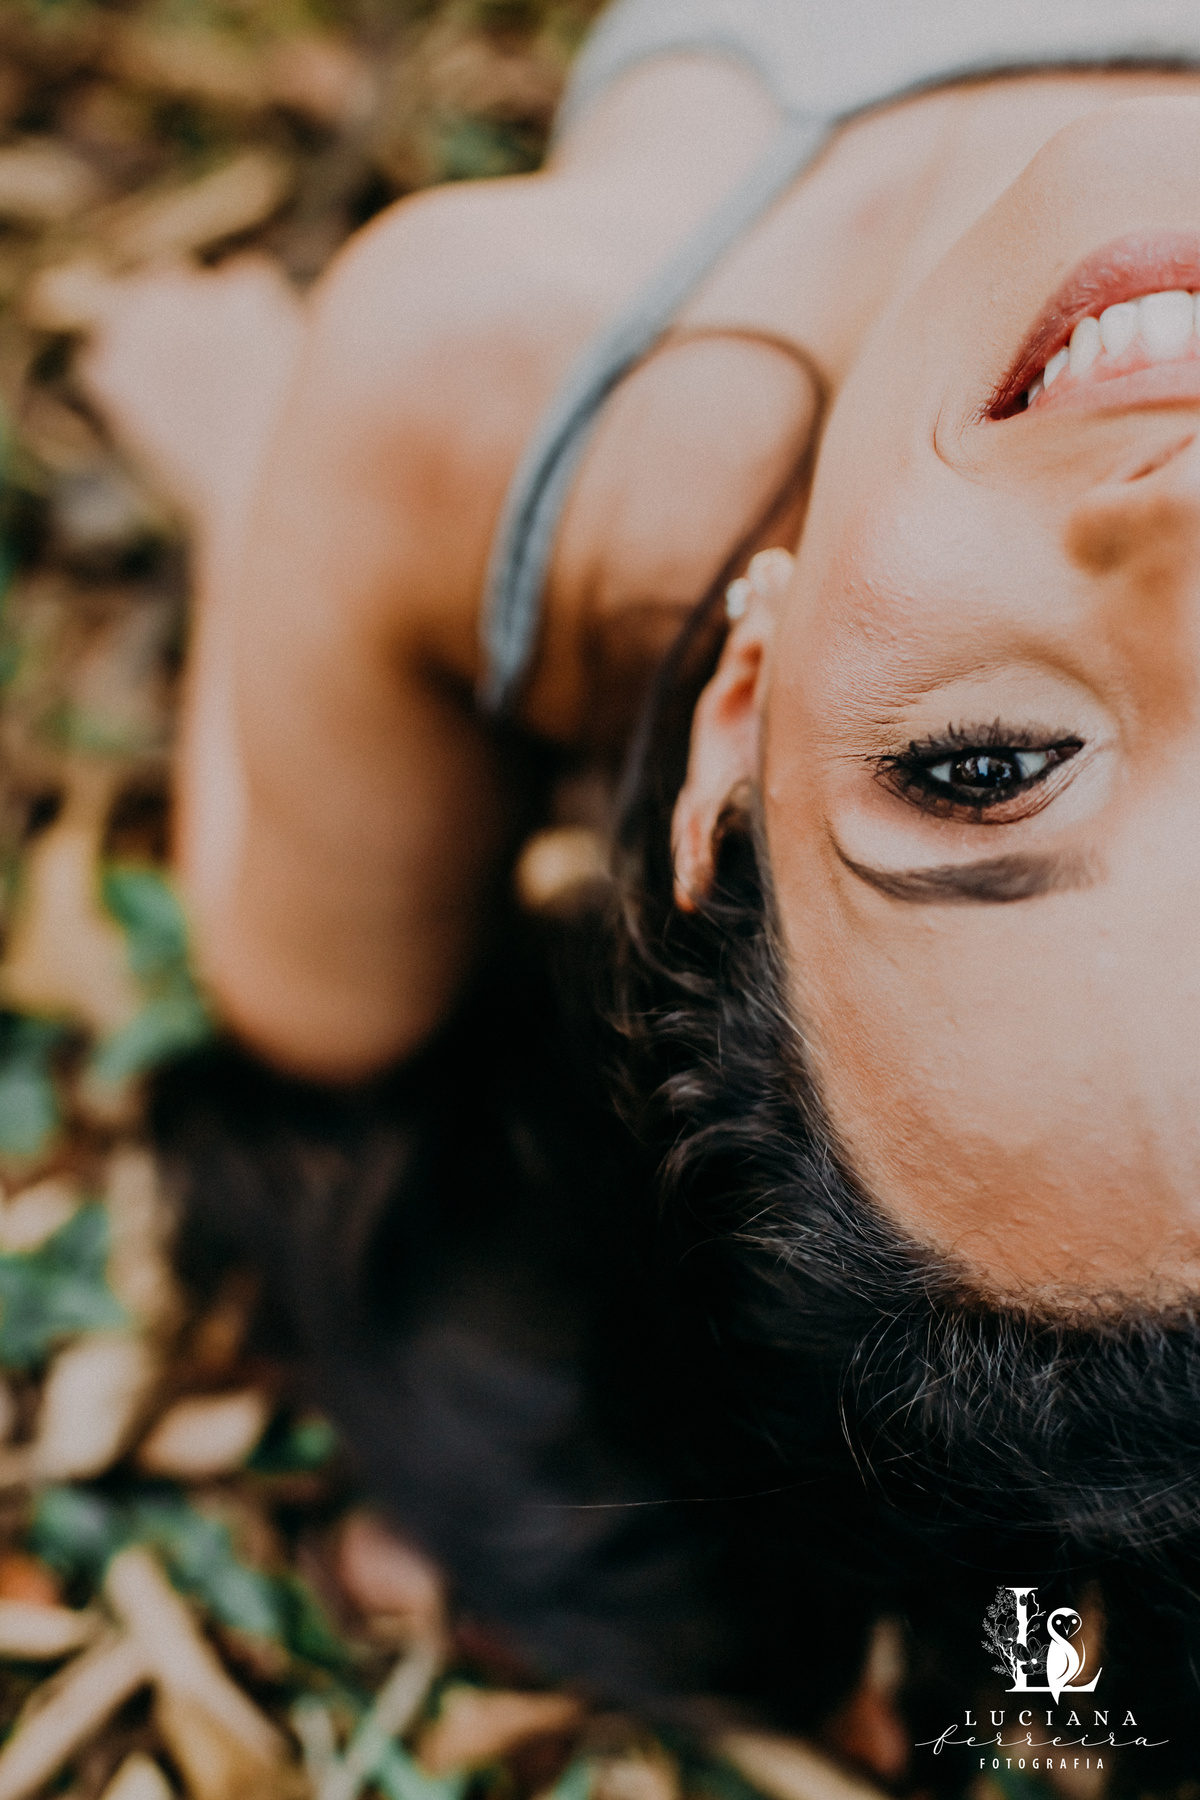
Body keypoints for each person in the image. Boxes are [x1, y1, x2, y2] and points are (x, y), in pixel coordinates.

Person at [77, 0, 1200, 1756]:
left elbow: (313, 986)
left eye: (982, 768)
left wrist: (274, 483)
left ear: (750, 696)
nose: (1188, 523)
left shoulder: (501, 399)